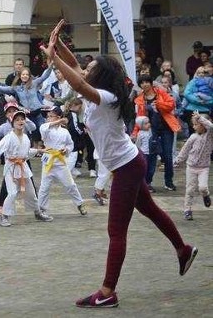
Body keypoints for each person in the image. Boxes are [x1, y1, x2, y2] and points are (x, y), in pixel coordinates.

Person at [42, 19, 196, 309]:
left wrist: (52, 59)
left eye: (91, 68)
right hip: (128, 163)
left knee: (116, 231)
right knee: (150, 209)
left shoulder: (107, 97)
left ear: (101, 75)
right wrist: (59, 44)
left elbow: (75, 79)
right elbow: (76, 68)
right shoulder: (96, 92)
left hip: (127, 166)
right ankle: (183, 249)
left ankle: (108, 291)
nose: (85, 70)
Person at [0, 109, 49, 227]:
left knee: (31, 192)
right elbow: (0, 147)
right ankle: (4, 215)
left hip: (23, 167)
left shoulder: (26, 138)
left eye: (22, 119)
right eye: (17, 119)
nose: (20, 121)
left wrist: (39, 150)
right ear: (12, 122)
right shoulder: (9, 137)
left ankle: (37, 212)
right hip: (11, 168)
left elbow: (26, 153)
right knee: (12, 193)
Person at [37, 106, 87, 218]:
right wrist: (59, 121)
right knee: (44, 187)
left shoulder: (64, 132)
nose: (48, 118)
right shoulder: (46, 129)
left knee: (70, 185)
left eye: (51, 116)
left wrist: (67, 149)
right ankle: (41, 209)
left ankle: (80, 204)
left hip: (60, 162)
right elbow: (43, 128)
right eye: (48, 116)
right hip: (48, 161)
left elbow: (70, 144)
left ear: (58, 116)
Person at [133, 74, 180, 191]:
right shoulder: (139, 100)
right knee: (150, 156)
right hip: (150, 130)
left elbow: (171, 105)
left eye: (147, 82)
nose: (145, 84)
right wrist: (135, 132)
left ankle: (169, 182)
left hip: (166, 127)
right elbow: (139, 118)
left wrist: (158, 104)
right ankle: (147, 182)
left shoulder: (161, 93)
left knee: (168, 155)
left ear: (151, 83)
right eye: (142, 83)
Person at [174, 113, 213, 221]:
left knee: (203, 188)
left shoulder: (209, 135)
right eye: (193, 124)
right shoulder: (193, 137)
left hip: (204, 168)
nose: (194, 127)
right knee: (190, 190)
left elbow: (211, 126)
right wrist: (178, 160)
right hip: (191, 167)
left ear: (203, 125)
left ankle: (206, 195)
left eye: (196, 124)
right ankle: (187, 210)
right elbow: (185, 150)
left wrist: (200, 117)